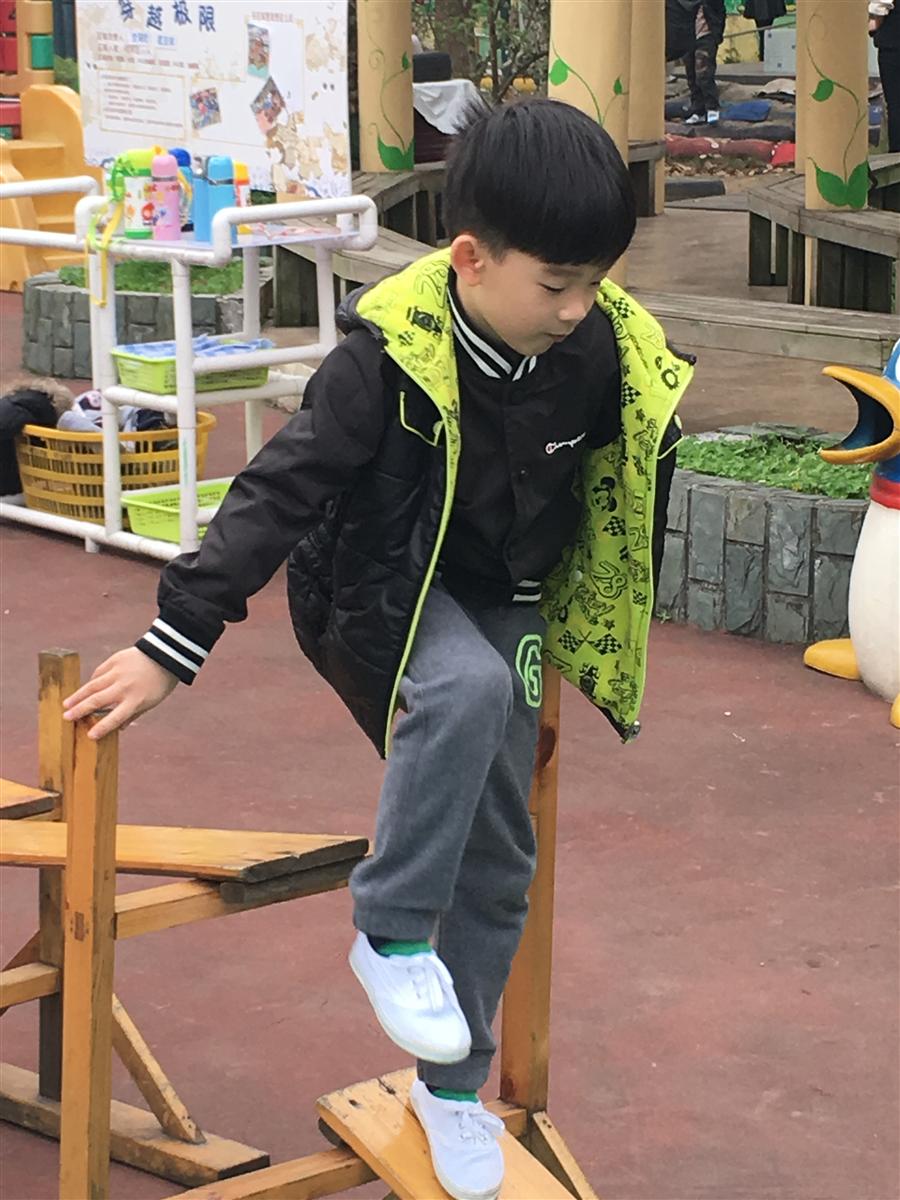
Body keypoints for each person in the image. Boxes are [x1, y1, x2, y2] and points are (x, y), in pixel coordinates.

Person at [63, 98, 692, 1200]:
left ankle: (453, 1090)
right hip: (379, 585)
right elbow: (276, 491)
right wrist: (175, 641)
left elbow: (620, 477)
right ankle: (390, 930)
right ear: (470, 259)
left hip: (505, 589)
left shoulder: (593, 349)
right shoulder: (383, 362)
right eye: (557, 284)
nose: (580, 307)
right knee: (465, 688)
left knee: (502, 858)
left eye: (597, 282)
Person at [683, 0, 726, 125]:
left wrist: (716, 35)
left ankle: (712, 108)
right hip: (688, 37)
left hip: (706, 37)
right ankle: (698, 110)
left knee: (704, 74)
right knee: (691, 75)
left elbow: (720, 12)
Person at [871, 0, 900, 152]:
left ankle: (897, 153)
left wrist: (874, 27)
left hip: (893, 43)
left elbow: (880, 7)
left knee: (895, 104)